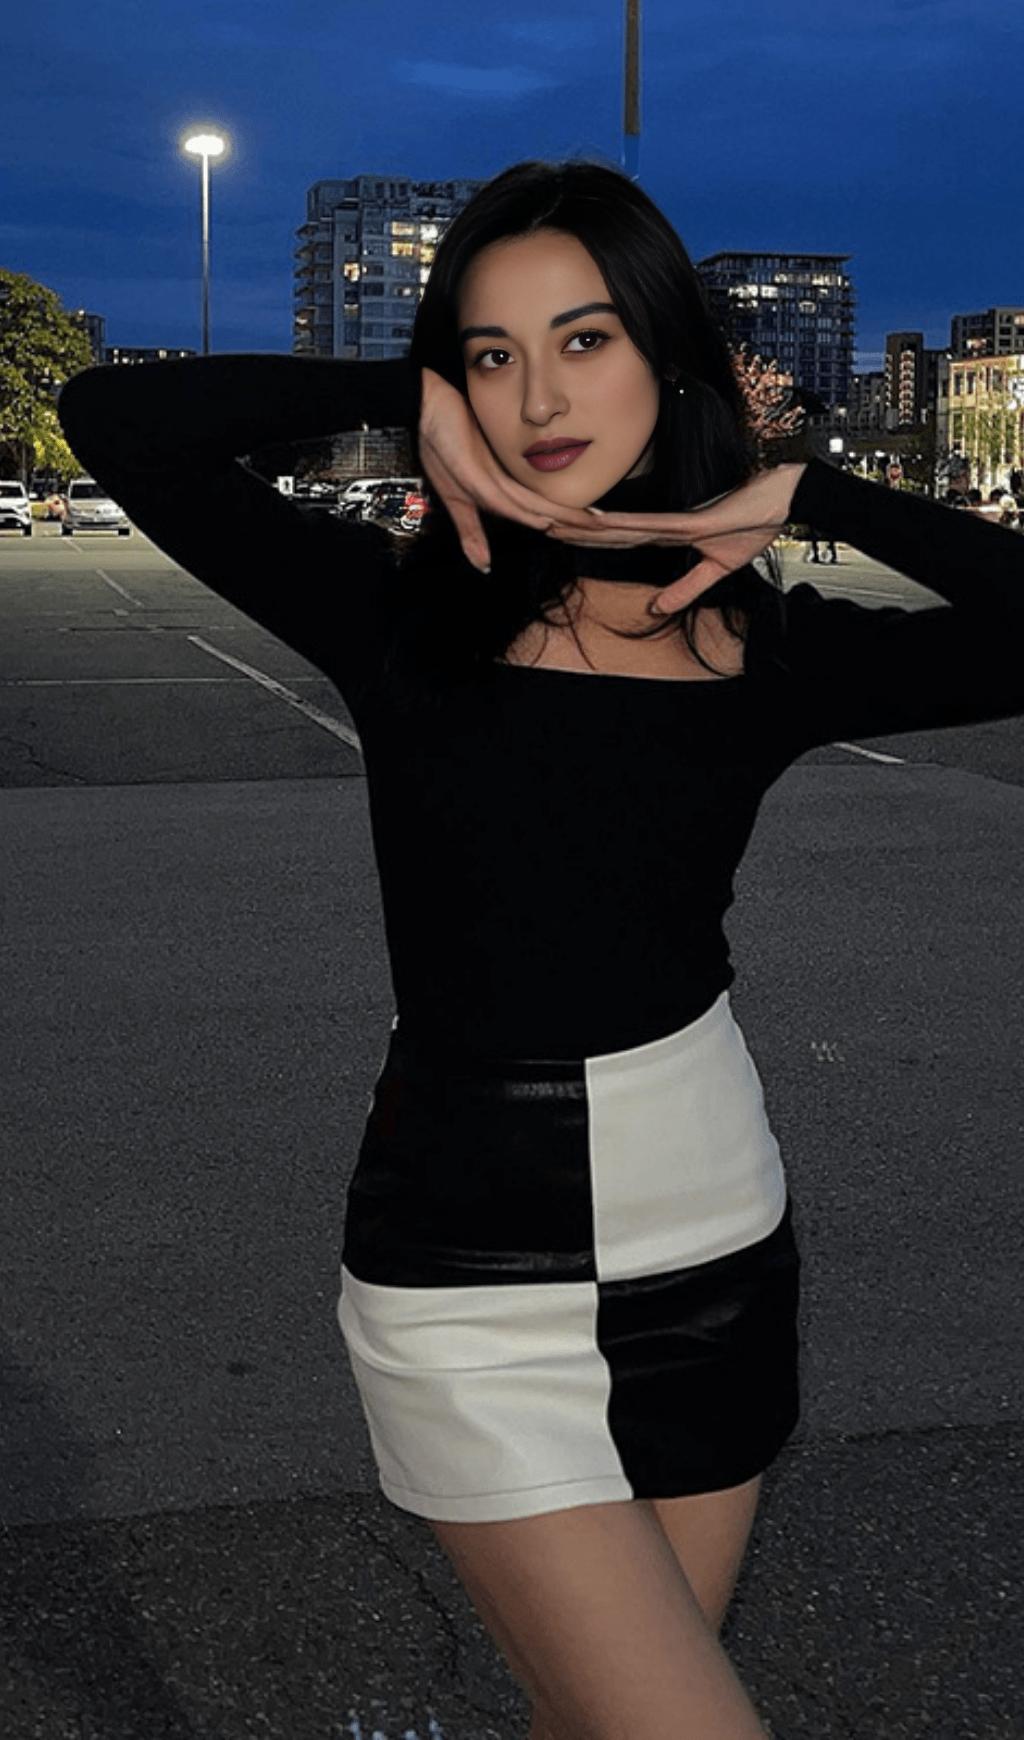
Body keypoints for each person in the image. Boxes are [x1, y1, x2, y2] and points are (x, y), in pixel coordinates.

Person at [55, 158, 1024, 1740]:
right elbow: (120, 418)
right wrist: (403, 388)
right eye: (492, 353)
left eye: (585, 339)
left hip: (716, 1251)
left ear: (667, 354)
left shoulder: (762, 646)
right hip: (468, 1280)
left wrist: (814, 492)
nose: (540, 395)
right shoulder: (395, 613)